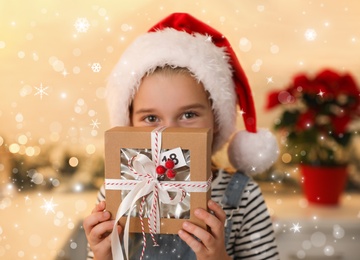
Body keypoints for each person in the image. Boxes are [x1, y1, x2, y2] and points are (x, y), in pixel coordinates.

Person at [83, 13, 279, 260]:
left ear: (216, 119)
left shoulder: (243, 197)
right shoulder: (117, 194)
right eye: (151, 119)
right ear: (129, 124)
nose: (169, 134)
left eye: (188, 114)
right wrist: (103, 256)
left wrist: (218, 257)